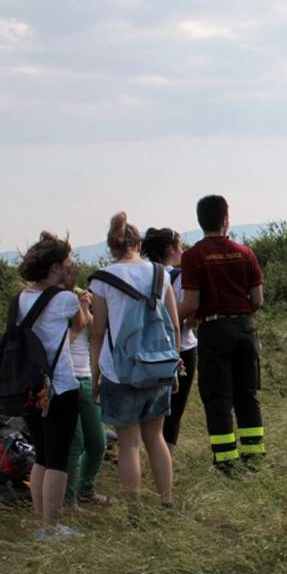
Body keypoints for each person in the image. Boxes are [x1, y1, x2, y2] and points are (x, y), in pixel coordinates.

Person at [88, 213, 177, 513]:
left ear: (112, 247)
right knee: (156, 438)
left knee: (128, 445)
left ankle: (134, 511)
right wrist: (175, 368)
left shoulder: (101, 280)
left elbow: (98, 332)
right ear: (139, 244)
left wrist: (96, 376)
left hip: (119, 371)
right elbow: (174, 326)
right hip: (158, 367)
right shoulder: (160, 273)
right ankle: (166, 502)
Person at [177, 195, 266, 473]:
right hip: (244, 329)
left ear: (200, 221)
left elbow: (190, 303)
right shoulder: (246, 252)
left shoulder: (193, 257)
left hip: (214, 331)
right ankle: (254, 456)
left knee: (218, 398)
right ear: (226, 219)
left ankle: (227, 461)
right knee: (247, 394)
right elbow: (257, 299)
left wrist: (172, 320)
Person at [15, 233, 83, 540]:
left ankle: (40, 523)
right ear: (56, 267)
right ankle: (52, 528)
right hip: (60, 387)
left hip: (30, 388)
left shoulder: (19, 298)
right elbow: (83, 323)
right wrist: (69, 287)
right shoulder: (64, 299)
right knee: (58, 458)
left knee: (41, 455)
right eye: (67, 261)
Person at [142, 227, 198, 452]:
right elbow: (191, 314)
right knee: (174, 409)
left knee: (151, 407)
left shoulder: (145, 274)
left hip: (149, 348)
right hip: (182, 347)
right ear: (171, 249)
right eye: (181, 246)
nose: (183, 250)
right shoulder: (179, 276)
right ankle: (167, 456)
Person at [61, 260, 111, 508]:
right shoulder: (54, 300)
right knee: (75, 442)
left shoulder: (75, 296)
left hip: (86, 376)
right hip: (67, 378)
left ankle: (86, 489)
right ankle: (69, 502)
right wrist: (80, 308)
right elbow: (70, 333)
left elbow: (94, 328)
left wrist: (86, 306)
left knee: (98, 442)